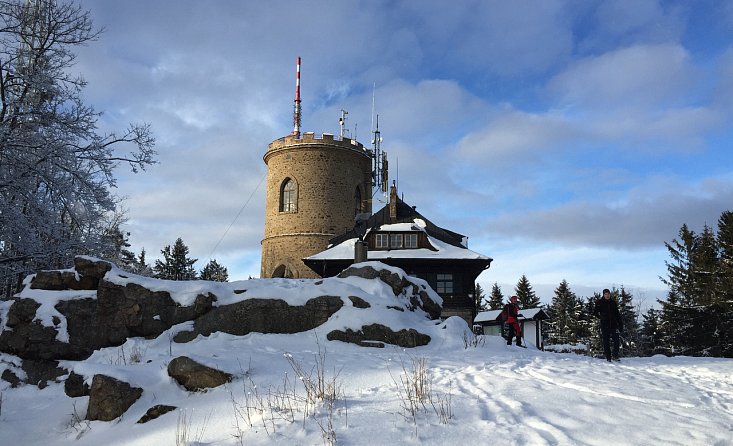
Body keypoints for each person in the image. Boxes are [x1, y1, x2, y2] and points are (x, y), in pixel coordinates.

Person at [594, 288, 623, 362]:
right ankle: (608, 357)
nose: (607, 295)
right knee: (606, 342)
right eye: (605, 294)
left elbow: (617, 314)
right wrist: (601, 317)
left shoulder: (613, 302)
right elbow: (595, 312)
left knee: (616, 340)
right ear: (603, 295)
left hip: (613, 325)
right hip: (604, 325)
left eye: (608, 294)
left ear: (610, 294)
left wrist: (620, 324)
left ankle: (615, 355)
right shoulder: (600, 302)